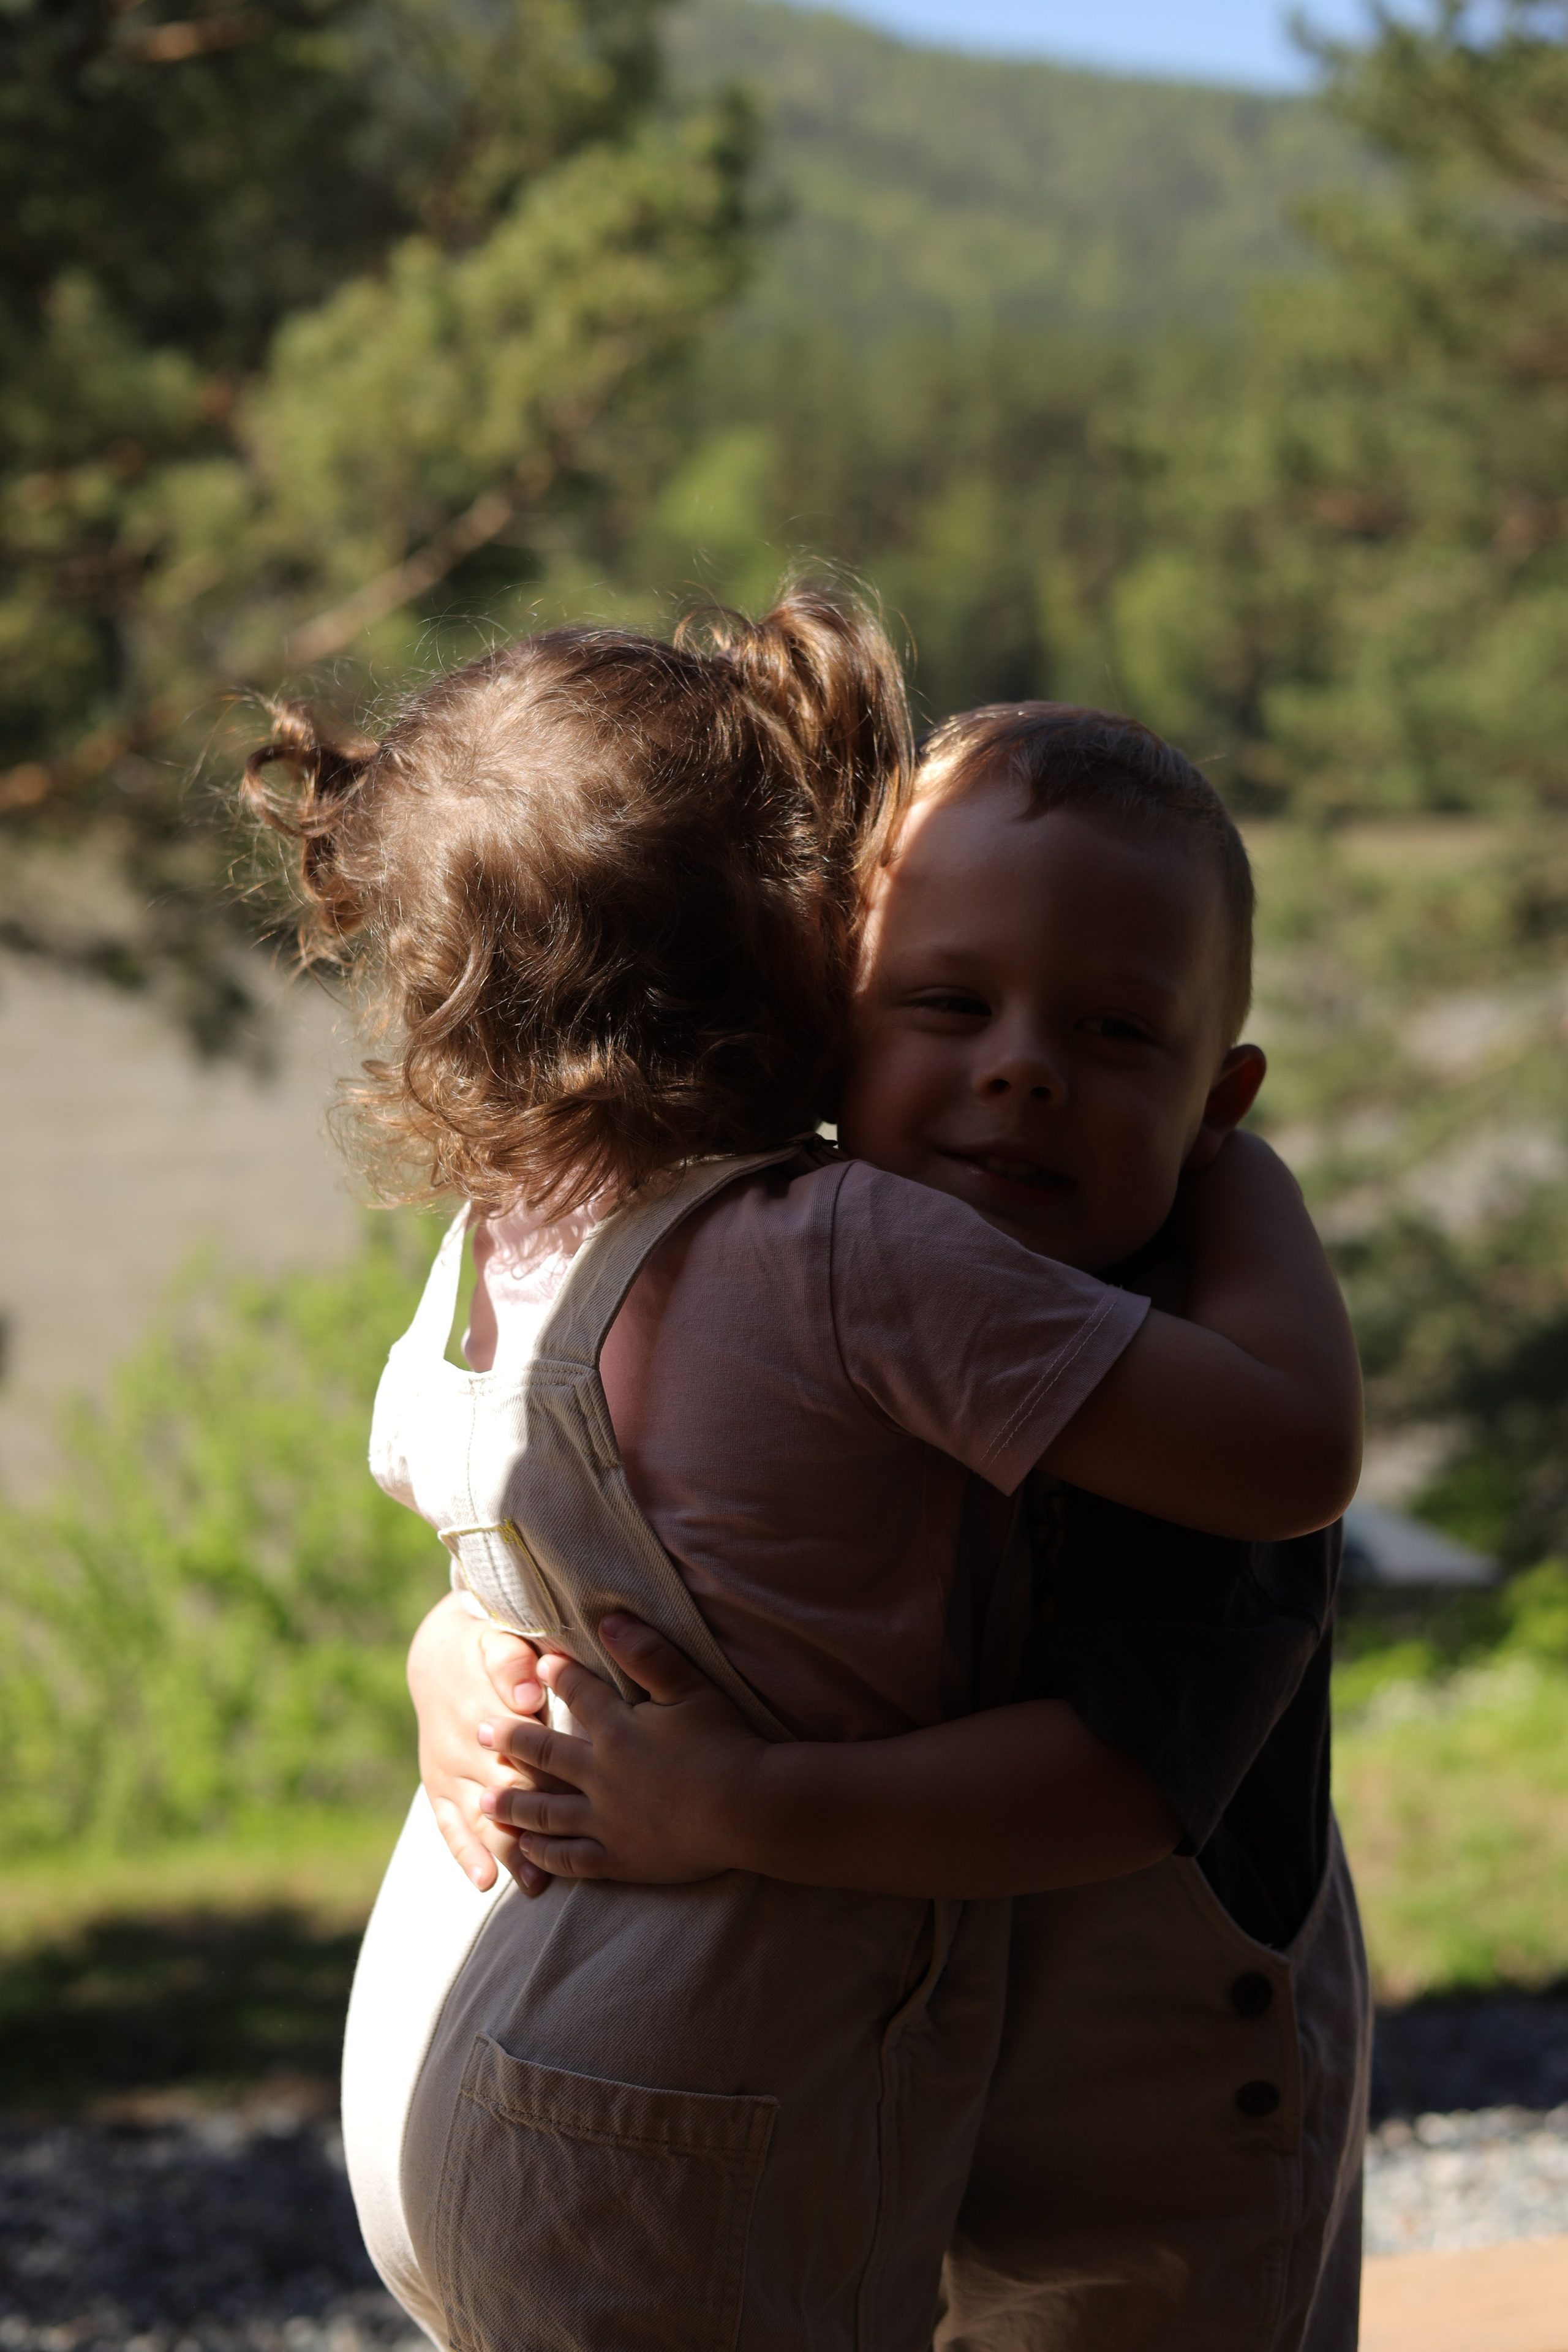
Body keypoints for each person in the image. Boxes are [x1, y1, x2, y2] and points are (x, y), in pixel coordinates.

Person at [245, 609, 1359, 2352]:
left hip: (1141, 2104)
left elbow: (1129, 1776)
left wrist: (1252, 1191)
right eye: (944, 1001)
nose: (1020, 1065)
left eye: (1116, 1038)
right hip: (899, 2066)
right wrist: (458, 1659)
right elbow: (571, 1526)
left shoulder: (1173, 1373)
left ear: (1216, 1101)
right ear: (835, 1005)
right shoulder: (811, 1263)